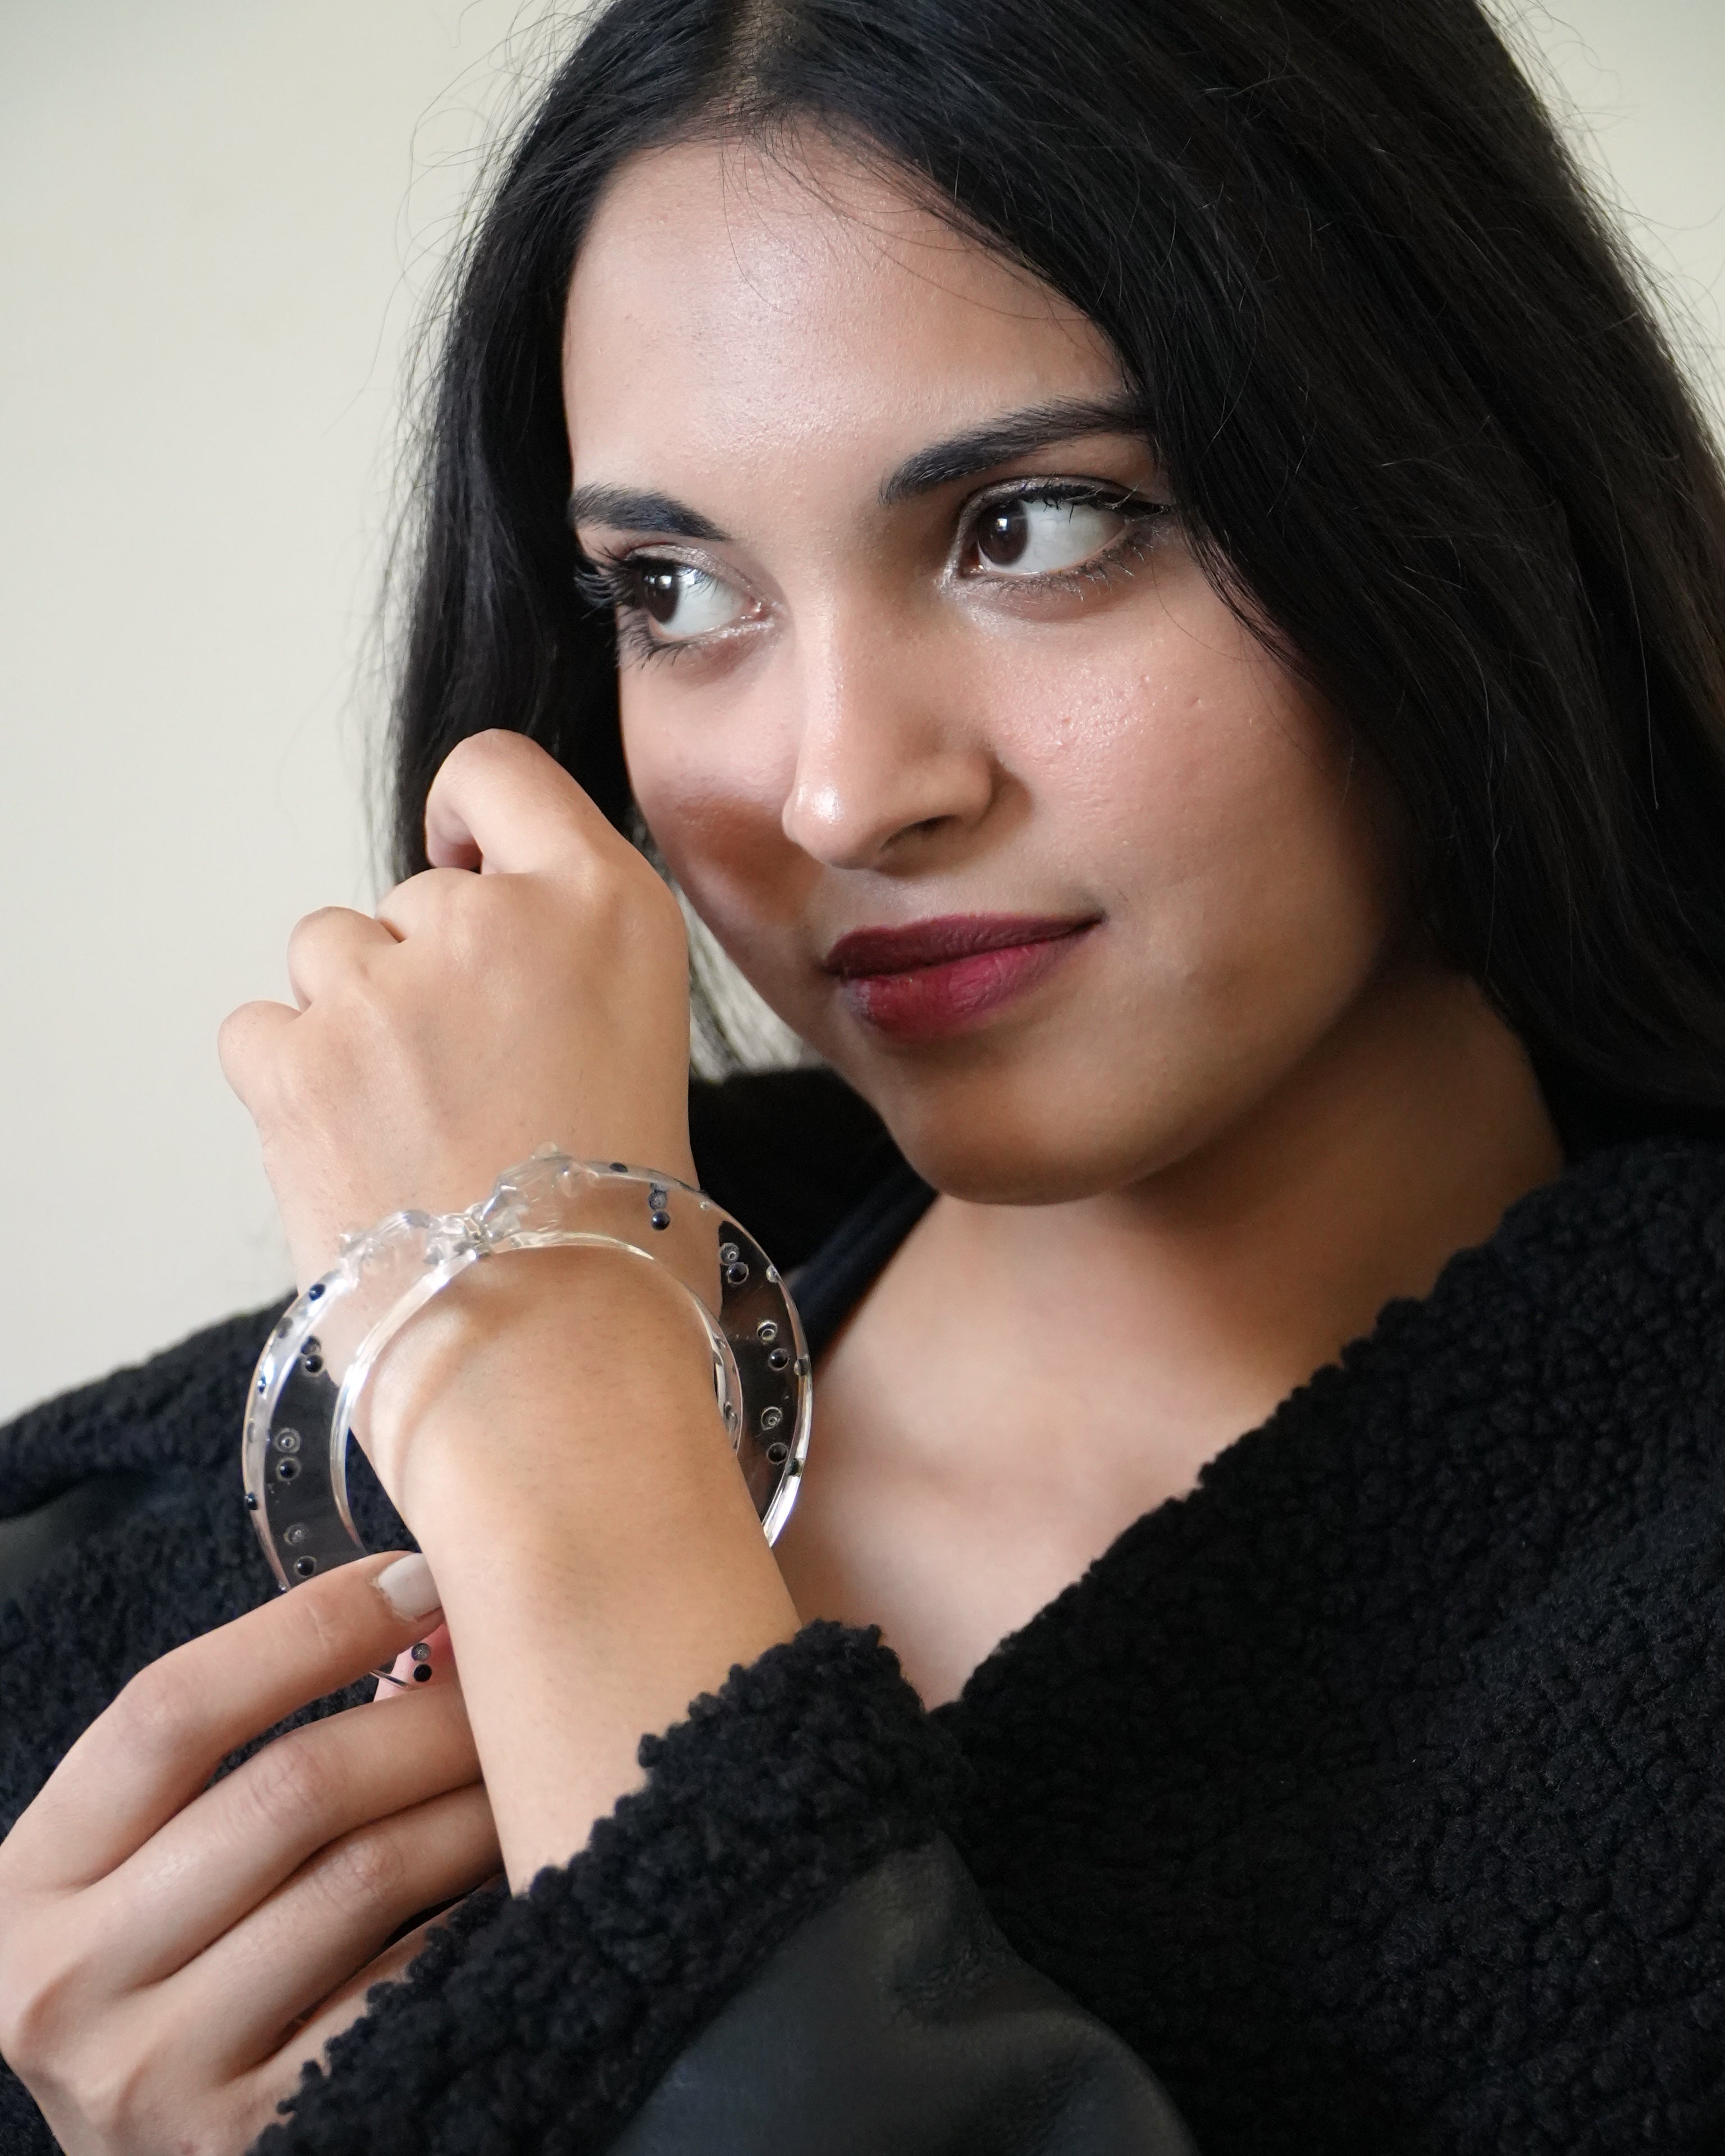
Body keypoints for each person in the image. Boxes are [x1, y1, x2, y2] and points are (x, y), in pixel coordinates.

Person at [4, 0, 1725, 2147]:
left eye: (1035, 526)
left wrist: (563, 1405)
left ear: (1471, 485)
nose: (835, 793)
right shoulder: (118, 1564)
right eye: (675, 588)